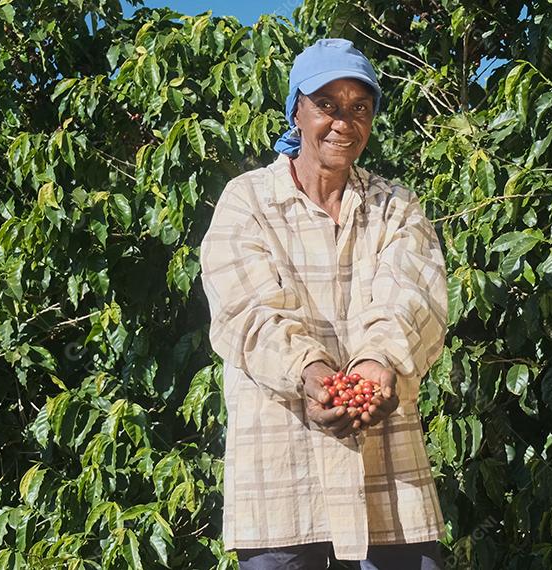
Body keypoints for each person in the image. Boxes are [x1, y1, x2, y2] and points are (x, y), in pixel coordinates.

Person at [199, 38, 448, 569]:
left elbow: (415, 297)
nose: (343, 121)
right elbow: (247, 310)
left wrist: (376, 366)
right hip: (283, 483)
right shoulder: (247, 200)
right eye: (327, 105)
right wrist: (308, 370)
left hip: (389, 484)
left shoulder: (396, 207)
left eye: (360, 108)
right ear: (296, 111)